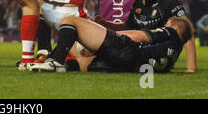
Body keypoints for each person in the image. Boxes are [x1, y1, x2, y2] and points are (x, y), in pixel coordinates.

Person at [93, 0, 198, 72]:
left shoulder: (171, 4)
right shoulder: (139, 1)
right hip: (132, 51)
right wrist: (107, 24)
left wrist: (191, 68)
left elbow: (187, 34)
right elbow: (128, 26)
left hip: (152, 56)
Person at [29, 15, 194, 73]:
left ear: (174, 26)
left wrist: (110, 36)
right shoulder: (172, 56)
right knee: (82, 62)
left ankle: (55, 60)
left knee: (70, 21)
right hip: (127, 66)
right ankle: (53, 62)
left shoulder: (171, 32)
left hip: (127, 51)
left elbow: (138, 36)